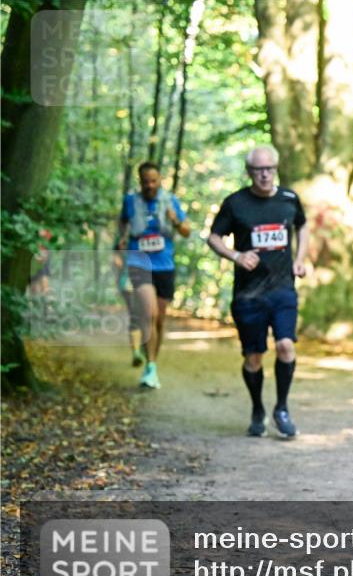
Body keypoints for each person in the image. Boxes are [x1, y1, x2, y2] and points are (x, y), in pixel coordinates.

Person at [207, 146, 309, 438]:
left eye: (269, 169)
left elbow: (302, 227)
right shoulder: (235, 203)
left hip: (283, 290)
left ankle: (281, 408)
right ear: (249, 172)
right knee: (253, 358)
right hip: (248, 295)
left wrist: (300, 258)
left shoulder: (289, 199)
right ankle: (257, 409)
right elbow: (214, 237)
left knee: (286, 346)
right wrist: (236, 255)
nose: (264, 175)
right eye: (258, 170)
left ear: (276, 168)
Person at [117, 162, 190, 388]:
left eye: (153, 181)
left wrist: (175, 220)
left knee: (159, 320)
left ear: (160, 180)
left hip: (164, 266)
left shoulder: (171, 201)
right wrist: (121, 240)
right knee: (149, 313)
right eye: (145, 181)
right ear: (140, 181)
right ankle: (149, 369)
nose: (150, 185)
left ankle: (152, 366)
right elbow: (122, 222)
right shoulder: (131, 202)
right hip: (139, 263)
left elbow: (187, 231)